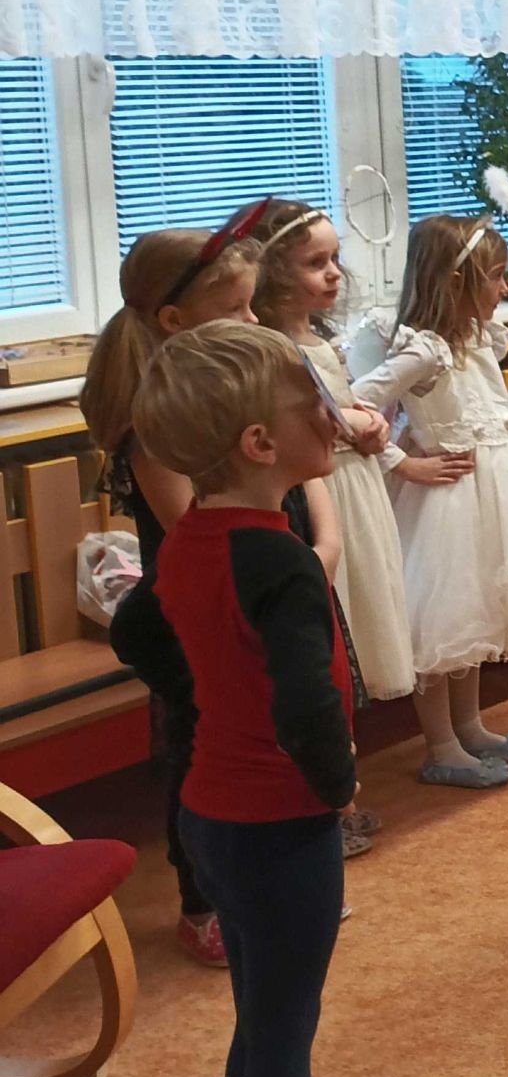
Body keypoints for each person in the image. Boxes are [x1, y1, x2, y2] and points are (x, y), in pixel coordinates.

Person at [135, 322, 414, 1077]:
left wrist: (210, 697)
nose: (333, 419)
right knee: (281, 1028)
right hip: (278, 824)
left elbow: (140, 632)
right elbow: (306, 703)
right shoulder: (281, 559)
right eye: (315, 407)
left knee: (261, 1019)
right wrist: (338, 786)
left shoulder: (192, 540)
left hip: (212, 812)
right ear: (261, 444)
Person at [81, 221, 335, 967]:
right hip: (203, 612)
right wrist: (293, 569)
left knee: (273, 721)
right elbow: (199, 534)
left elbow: (300, 484)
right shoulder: (161, 430)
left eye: (253, 306)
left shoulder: (244, 399)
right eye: (235, 309)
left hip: (267, 580)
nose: (253, 321)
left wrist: (320, 550)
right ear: (174, 320)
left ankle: (270, 869)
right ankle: (203, 902)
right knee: (202, 743)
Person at [348, 217, 508, 790]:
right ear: (457, 283)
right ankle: (441, 746)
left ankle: (469, 727)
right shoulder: (420, 350)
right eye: (496, 277)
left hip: (496, 498)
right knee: (445, 621)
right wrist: (401, 462)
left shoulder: (479, 337)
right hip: (446, 502)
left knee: (477, 613)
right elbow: (351, 409)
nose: (505, 288)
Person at [238, 199, 414, 858]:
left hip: (354, 492)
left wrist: (364, 423)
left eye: (336, 258)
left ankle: (341, 798)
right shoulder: (275, 350)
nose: (334, 273)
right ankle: (329, 803)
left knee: (353, 637)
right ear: (273, 273)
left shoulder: (317, 340)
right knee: (326, 649)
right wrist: (357, 423)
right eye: (316, 262)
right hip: (322, 497)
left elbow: (343, 411)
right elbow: (318, 420)